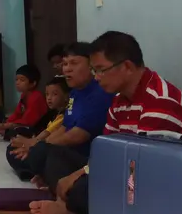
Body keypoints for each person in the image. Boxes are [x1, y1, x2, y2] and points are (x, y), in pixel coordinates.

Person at [30, 32, 182, 214]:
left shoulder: (159, 102)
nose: (96, 77)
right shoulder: (119, 100)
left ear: (127, 66)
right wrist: (76, 175)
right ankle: (74, 203)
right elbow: (106, 151)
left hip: (155, 182)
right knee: (56, 156)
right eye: (94, 71)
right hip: (128, 168)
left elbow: (143, 170)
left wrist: (79, 178)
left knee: (86, 187)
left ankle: (71, 207)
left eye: (101, 70)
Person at [17, 42, 114, 190]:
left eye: (74, 63)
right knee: (20, 152)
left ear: (91, 65)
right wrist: (38, 144)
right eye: (65, 64)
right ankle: (46, 175)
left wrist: (40, 146)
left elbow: (78, 135)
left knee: (46, 154)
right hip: (70, 152)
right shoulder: (74, 93)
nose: (67, 69)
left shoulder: (100, 93)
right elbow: (65, 126)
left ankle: (54, 182)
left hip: (87, 158)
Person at [6, 77, 70, 180]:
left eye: (54, 94)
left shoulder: (63, 115)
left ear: (66, 97)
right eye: (47, 94)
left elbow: (46, 133)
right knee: (13, 146)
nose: (49, 98)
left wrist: (31, 143)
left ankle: (29, 171)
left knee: (15, 151)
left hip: (47, 146)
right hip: (40, 142)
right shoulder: (55, 113)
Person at [0, 65, 47, 136]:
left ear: (32, 83)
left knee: (18, 131)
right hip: (25, 123)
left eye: (22, 80)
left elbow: (28, 121)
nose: (17, 83)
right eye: (16, 79)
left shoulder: (36, 97)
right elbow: (17, 114)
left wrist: (4, 126)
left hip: (36, 127)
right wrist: (4, 124)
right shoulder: (24, 95)